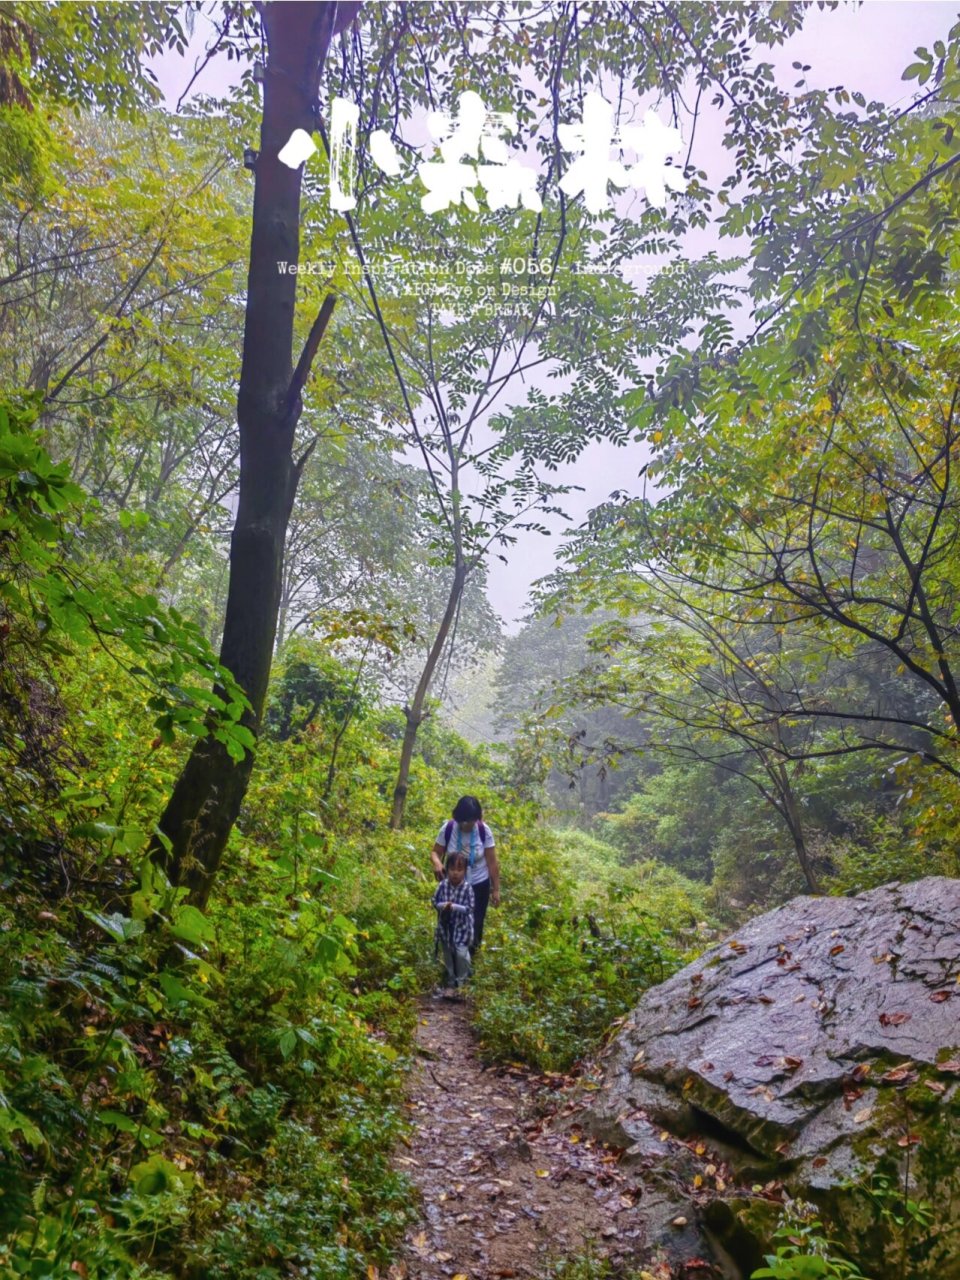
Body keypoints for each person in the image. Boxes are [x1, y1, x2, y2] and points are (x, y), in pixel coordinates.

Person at [431, 795, 500, 953]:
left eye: (470, 821)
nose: (466, 825)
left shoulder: (484, 831)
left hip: (478, 885)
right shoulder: (448, 829)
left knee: (475, 923)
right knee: (448, 920)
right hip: (452, 885)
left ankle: (469, 959)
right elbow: (435, 852)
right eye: (463, 821)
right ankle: (450, 957)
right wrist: (437, 863)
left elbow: (492, 862)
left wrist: (496, 889)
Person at [431, 850, 475, 993]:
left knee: (461, 954)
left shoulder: (467, 888)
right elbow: (434, 901)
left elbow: (470, 908)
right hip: (446, 928)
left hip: (462, 929)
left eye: (459, 870)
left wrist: (454, 907)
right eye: (452, 869)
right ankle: (450, 981)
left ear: (465, 871)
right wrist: (443, 906)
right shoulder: (443, 885)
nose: (455, 873)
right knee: (448, 954)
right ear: (447, 869)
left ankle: (462, 983)